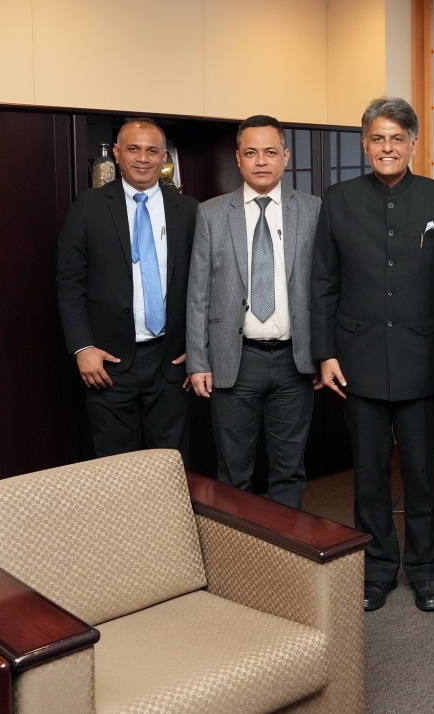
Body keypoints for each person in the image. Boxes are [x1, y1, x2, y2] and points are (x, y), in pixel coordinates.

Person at [311, 97, 434, 612]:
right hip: (357, 360)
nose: (387, 147)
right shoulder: (338, 199)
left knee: (422, 474)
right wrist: (325, 353)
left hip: (425, 356)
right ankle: (377, 570)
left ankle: (425, 570)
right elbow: (323, 281)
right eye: (378, 138)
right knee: (369, 475)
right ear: (364, 144)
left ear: (413, 144)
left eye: (397, 138)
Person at [185, 115, 321, 509]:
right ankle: (238, 547)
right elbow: (198, 292)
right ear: (238, 158)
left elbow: (325, 287)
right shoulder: (212, 212)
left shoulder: (312, 209)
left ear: (286, 157)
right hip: (235, 360)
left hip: (294, 361)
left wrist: (324, 353)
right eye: (251, 153)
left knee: (289, 470)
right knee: (233, 472)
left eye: (270, 152)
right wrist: (198, 361)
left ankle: (286, 545)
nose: (261, 161)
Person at [58, 118, 198, 463]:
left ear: (164, 157)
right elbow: (69, 283)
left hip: (170, 361)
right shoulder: (88, 207)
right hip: (108, 362)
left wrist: (199, 348)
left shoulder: (190, 211)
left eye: (152, 150)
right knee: (116, 466)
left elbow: (206, 285)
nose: (143, 158)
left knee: (170, 463)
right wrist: (82, 347)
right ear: (117, 154)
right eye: (133, 149)